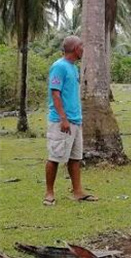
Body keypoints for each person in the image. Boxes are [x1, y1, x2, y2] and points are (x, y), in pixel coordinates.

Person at [43, 36, 97, 206]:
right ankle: (49, 193)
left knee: (75, 158)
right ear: (75, 49)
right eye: (81, 46)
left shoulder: (73, 68)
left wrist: (76, 119)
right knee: (55, 157)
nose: (83, 49)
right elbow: (55, 94)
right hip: (61, 121)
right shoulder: (59, 67)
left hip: (75, 120)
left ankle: (78, 191)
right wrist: (63, 119)